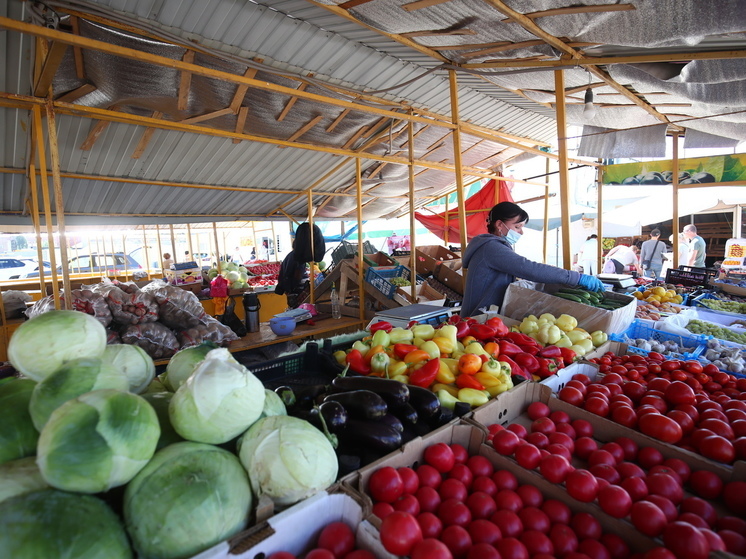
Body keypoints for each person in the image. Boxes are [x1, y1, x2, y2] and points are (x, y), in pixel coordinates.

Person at [460, 202, 604, 316]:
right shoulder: (491, 248)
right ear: (499, 225)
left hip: (484, 315)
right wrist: (576, 278)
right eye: (517, 226)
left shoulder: (492, 246)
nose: (521, 232)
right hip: (478, 318)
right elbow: (529, 268)